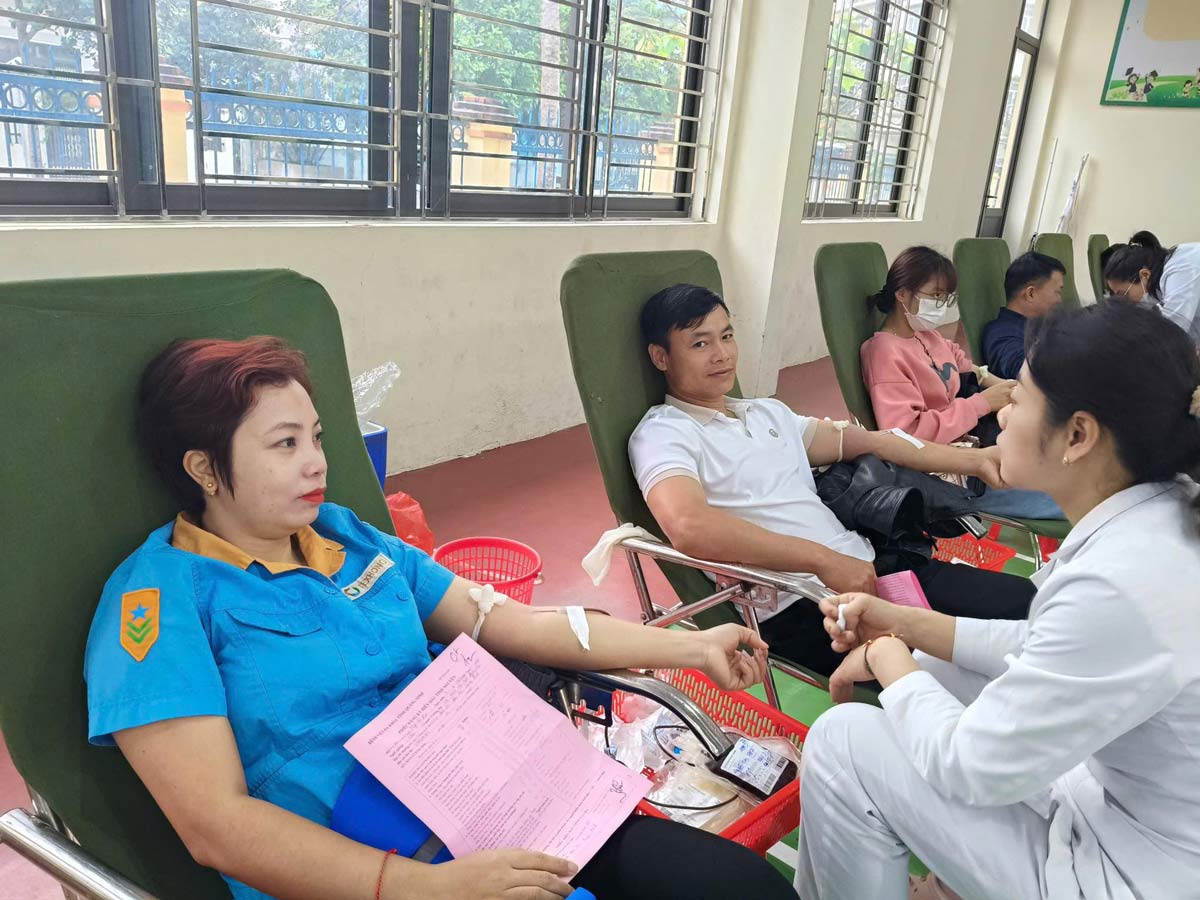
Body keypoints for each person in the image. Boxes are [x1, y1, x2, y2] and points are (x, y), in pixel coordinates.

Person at [85, 337, 798, 900]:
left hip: (496, 807)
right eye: (285, 444)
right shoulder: (157, 601)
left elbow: (512, 624)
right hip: (366, 866)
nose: (317, 463)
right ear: (206, 470)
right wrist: (426, 889)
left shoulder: (349, 537)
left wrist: (689, 647)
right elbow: (217, 827)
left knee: (740, 886)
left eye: (317, 436)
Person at [794, 302, 1200, 900]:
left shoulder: (1118, 582)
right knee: (934, 669)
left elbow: (971, 765)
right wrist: (905, 625)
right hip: (1139, 810)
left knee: (844, 741)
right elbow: (1045, 644)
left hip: (1134, 872)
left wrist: (885, 654)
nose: (1002, 414)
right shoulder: (1161, 512)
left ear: (1078, 435)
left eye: (1022, 400)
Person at [628, 285, 1036, 678]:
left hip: (877, 569)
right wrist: (822, 560)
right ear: (661, 357)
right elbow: (689, 527)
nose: (722, 355)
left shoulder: (768, 414)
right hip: (808, 606)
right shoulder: (665, 433)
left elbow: (876, 442)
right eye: (700, 344)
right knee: (981, 675)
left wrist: (975, 461)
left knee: (1030, 607)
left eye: (727, 336)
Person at [861, 246, 1062, 519]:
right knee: (1070, 493)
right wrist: (980, 404)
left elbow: (969, 369)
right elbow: (905, 434)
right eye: (934, 296)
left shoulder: (929, 337)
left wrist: (1009, 389)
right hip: (950, 468)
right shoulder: (883, 352)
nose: (940, 306)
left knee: (1067, 464)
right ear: (902, 294)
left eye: (946, 298)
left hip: (977, 443)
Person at [1104, 229, 1200, 347]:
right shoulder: (1159, 280)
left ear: (1144, 275)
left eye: (1124, 294)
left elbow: (1173, 330)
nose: (1125, 302)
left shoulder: (1181, 270)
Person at [981, 251, 1066, 380]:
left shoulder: (1039, 326)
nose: (1059, 300)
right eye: (1057, 292)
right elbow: (1022, 370)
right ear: (1030, 293)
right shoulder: (1002, 332)